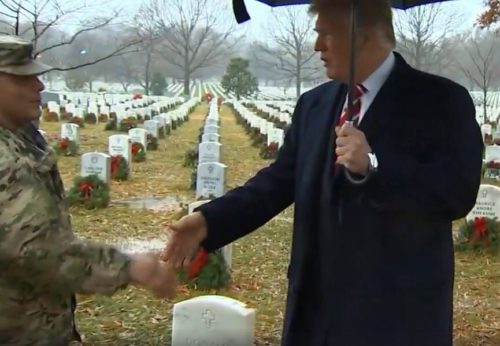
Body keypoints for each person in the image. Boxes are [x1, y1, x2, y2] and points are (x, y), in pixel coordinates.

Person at [163, 0, 483, 345]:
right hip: (315, 314)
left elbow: (457, 193)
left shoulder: (441, 101)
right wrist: (209, 221)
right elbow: (277, 183)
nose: (317, 46)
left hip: (396, 316)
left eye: (325, 34)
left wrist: (375, 166)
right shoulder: (314, 105)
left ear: (361, 34)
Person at [0, 34, 177, 346]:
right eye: (23, 78)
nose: (38, 86)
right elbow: (34, 248)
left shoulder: (21, 136)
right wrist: (129, 267)